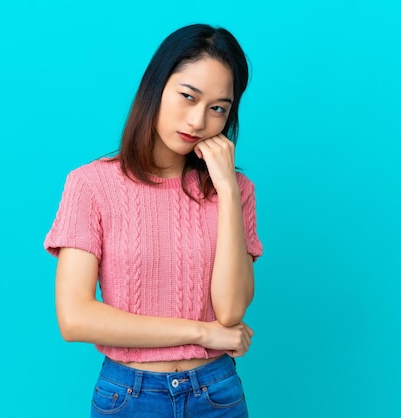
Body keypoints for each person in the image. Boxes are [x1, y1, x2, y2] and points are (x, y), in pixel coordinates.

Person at [44, 23, 263, 417]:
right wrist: (200, 332)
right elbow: (74, 317)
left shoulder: (238, 190)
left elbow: (230, 312)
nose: (198, 121)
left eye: (218, 109)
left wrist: (227, 191)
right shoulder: (91, 185)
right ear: (155, 88)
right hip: (129, 395)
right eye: (187, 96)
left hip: (216, 393)